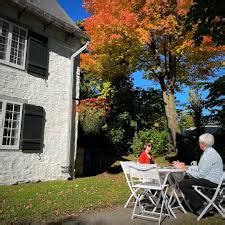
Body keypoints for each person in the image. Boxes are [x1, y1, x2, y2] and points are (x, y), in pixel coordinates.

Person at [172, 133, 223, 214]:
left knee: (183, 184)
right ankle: (202, 202)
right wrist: (186, 167)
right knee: (188, 181)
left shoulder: (207, 155)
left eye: (199, 142)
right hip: (215, 180)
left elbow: (200, 174)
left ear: (203, 144)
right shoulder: (211, 152)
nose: (198, 144)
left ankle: (202, 204)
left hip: (212, 181)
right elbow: (201, 168)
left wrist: (184, 169)